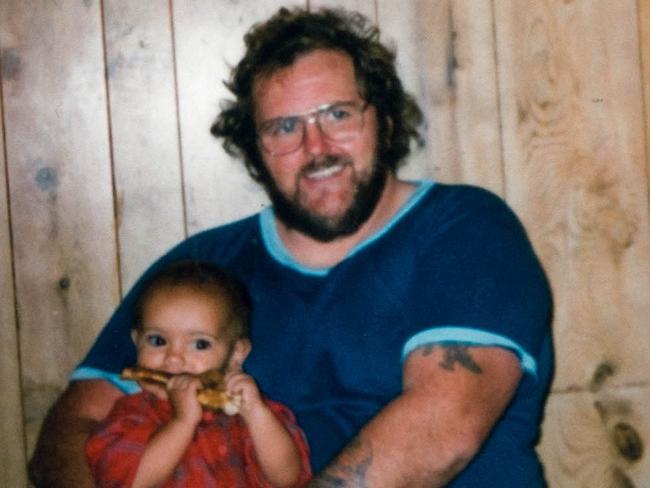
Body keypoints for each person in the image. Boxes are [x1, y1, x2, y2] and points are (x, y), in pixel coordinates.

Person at [29, 6, 553, 487]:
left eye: (339, 115)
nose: (317, 148)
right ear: (255, 150)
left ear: (385, 120)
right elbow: (70, 430)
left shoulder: (465, 229)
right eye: (284, 127)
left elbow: (443, 430)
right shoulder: (202, 270)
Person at [84, 260, 311, 487]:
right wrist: (182, 422)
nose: (173, 358)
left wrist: (256, 414)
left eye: (200, 344)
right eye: (157, 340)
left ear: (236, 354)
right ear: (137, 342)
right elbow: (128, 483)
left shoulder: (253, 415)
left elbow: (288, 480)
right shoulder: (131, 417)